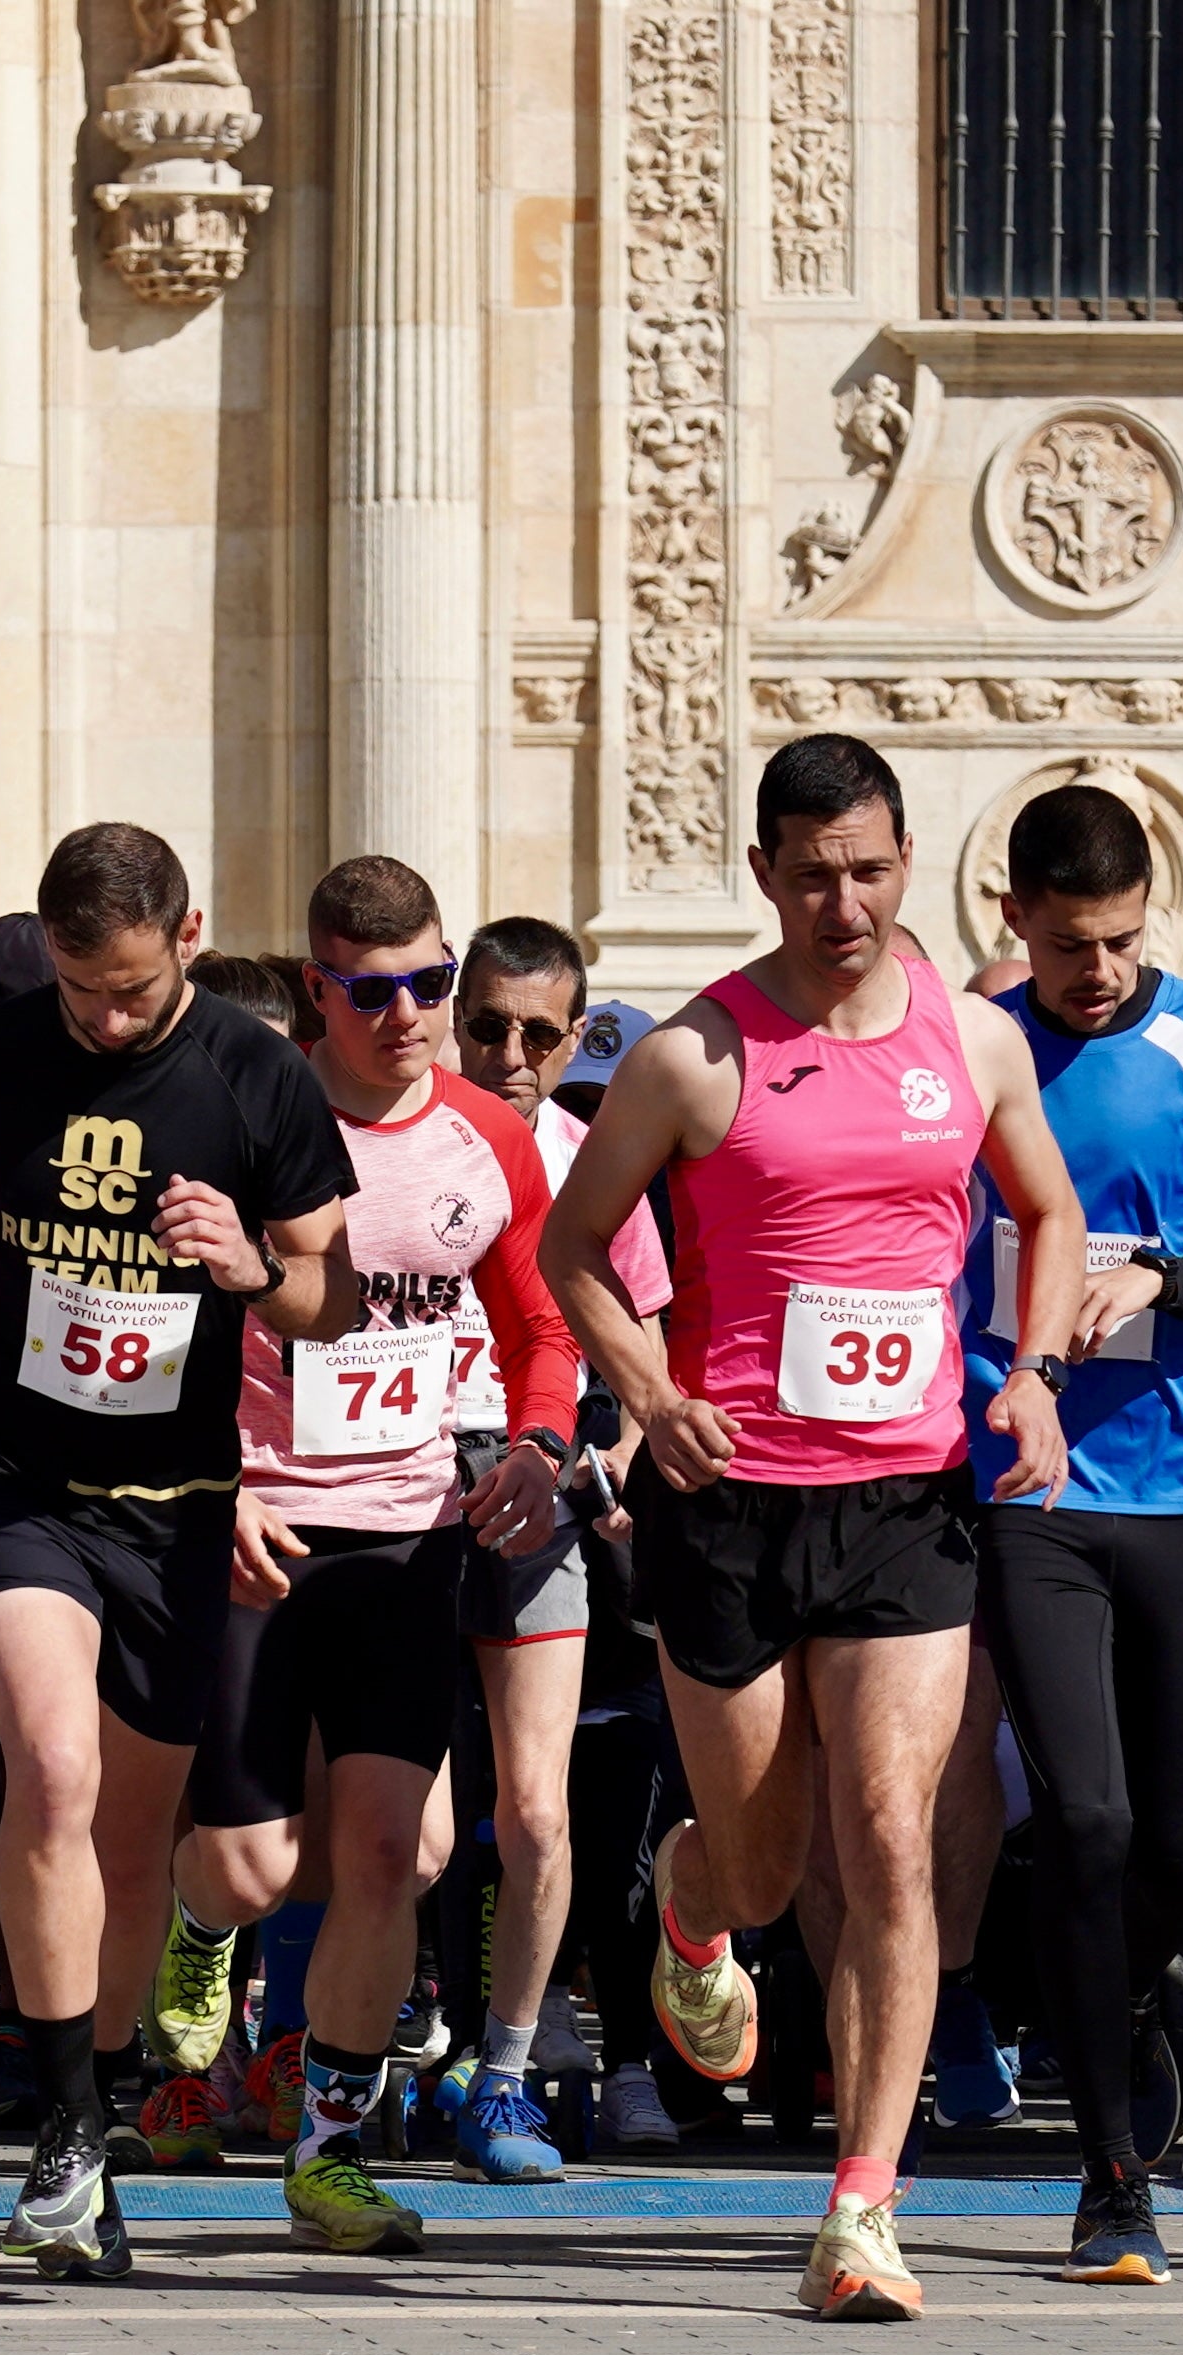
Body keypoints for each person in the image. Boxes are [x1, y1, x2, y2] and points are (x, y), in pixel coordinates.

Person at [539, 733, 1087, 2322]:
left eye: (869, 868)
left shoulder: (973, 1045)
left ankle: (863, 2204)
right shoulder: (694, 1058)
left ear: (906, 863)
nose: (843, 901)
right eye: (811, 873)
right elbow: (575, 1246)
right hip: (727, 1499)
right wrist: (647, 1392)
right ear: (766, 874)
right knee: (773, 1869)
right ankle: (696, 1910)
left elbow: (1044, 1209)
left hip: (905, 1497)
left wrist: (1036, 1377)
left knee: (894, 1840)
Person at [0, 823, 359, 2282]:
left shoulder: (257, 1072)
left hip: (172, 1498)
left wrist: (250, 1271)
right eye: (83, 989)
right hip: (9, 1473)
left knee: (133, 1838)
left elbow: (331, 1295)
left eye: (134, 991)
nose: (105, 1018)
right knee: (54, 1771)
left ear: (191, 938)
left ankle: (94, 2080)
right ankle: (69, 2124)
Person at [140, 858, 582, 2241]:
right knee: (258, 1864)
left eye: (432, 986)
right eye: (375, 991)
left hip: (406, 1532)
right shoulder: (237, 1118)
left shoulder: (486, 1138)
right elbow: (155, 1332)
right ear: (319, 989)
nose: (411, 1017)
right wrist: (212, 1495)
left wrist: (541, 1442)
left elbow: (544, 1323)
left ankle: (328, 2147)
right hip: (258, 1526)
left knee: (394, 1849)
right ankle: (198, 1931)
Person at [945, 786, 1183, 2281]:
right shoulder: (975, 1048)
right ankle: (1110, 2175)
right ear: (1012, 918)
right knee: (1080, 1822)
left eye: (1120, 940)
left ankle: (1122, 1987)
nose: (1097, 970)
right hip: (1027, 1482)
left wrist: (1164, 1280)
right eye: (1070, 942)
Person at [430, 914, 665, 2150]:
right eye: (486, 1025)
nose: (509, 1052)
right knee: (403, 1829)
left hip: (537, 1489)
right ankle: (370, 2045)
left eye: (537, 1032)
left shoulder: (598, 1157)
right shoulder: (389, 1139)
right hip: (399, 1496)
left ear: (576, 1038)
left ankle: (508, 2069)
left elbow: (642, 1351)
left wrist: (606, 1461)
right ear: (450, 1015)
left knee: (535, 1809)